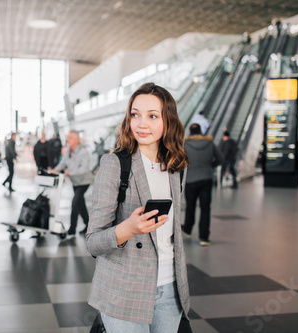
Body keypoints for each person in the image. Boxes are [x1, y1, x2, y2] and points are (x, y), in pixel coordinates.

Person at [86, 82, 191, 332]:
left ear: (168, 121)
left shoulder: (177, 167)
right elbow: (92, 242)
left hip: (171, 290)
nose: (141, 123)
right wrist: (129, 229)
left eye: (152, 116)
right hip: (124, 292)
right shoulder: (114, 164)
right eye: (135, 114)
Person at [181, 124, 223, 246]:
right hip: (206, 179)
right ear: (200, 131)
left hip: (190, 180)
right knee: (205, 208)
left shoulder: (186, 144)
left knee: (190, 206)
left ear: (190, 132)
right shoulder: (209, 143)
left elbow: (180, 161)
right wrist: (210, 167)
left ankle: (188, 229)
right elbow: (220, 159)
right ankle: (204, 237)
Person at [51, 131, 94, 235]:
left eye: (70, 138)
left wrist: (70, 173)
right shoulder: (68, 151)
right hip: (75, 182)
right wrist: (54, 170)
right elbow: (63, 163)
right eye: (68, 137)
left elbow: (84, 169)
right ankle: (88, 225)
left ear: (77, 139)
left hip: (84, 181)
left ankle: (72, 229)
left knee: (75, 203)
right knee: (80, 204)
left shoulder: (83, 152)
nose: (67, 140)